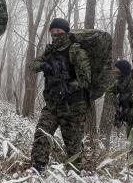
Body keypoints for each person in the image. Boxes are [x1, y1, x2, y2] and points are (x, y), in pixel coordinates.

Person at [29, 18, 91, 173]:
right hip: (53, 104)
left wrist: (71, 86)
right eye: (53, 31)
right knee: (42, 133)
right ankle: (38, 168)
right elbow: (33, 65)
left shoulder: (76, 51)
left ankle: (74, 175)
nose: (56, 34)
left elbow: (86, 79)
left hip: (74, 107)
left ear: (66, 32)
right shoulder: (49, 51)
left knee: (73, 145)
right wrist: (44, 66)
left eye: (59, 31)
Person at [109, 59, 133, 161]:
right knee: (132, 147)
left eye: (117, 70)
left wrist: (128, 114)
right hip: (131, 120)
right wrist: (116, 101)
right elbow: (110, 91)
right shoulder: (120, 81)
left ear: (123, 71)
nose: (114, 71)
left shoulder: (132, 84)